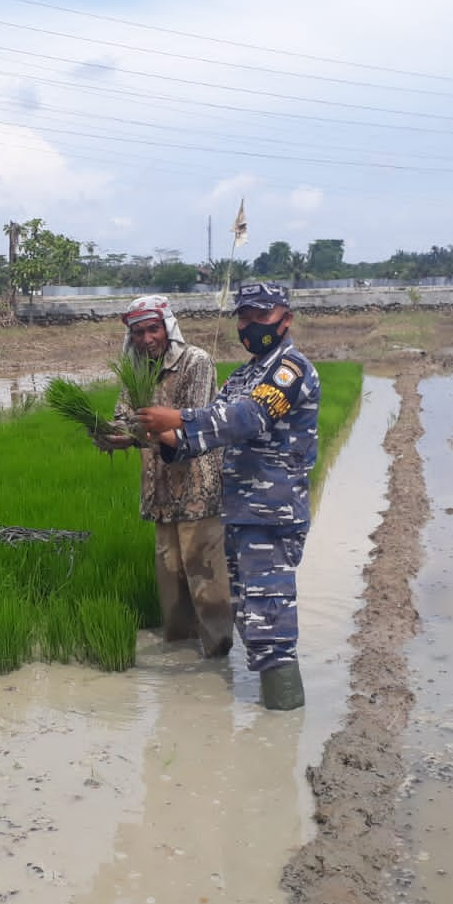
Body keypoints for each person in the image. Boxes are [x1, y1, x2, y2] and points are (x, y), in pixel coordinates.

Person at [135, 282, 321, 710]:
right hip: (238, 512)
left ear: (285, 319)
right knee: (246, 613)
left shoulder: (288, 370)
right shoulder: (245, 374)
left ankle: (283, 717)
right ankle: (268, 714)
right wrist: (166, 437)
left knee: (268, 617)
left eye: (260, 317)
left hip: (271, 514)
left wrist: (179, 415)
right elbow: (207, 434)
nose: (249, 325)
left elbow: (247, 418)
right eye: (244, 317)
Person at [98, 295, 233, 657]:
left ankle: (218, 659)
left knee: (206, 583)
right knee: (170, 583)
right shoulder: (136, 369)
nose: (146, 339)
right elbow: (125, 416)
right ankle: (181, 666)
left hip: (198, 489)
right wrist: (112, 436)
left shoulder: (196, 361)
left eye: (152, 329)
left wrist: (137, 434)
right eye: (138, 332)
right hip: (158, 492)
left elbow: (192, 424)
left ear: (167, 328)